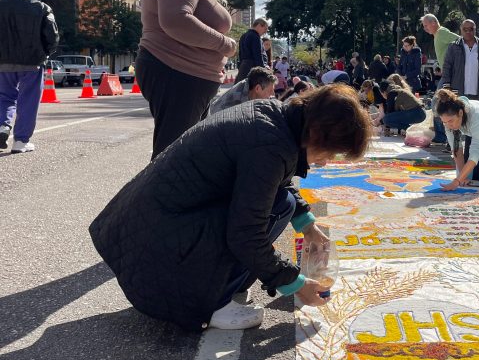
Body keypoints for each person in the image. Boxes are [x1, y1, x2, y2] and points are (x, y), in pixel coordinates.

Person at [89, 85, 371, 331]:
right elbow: (245, 234)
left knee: (282, 204)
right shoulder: (270, 146)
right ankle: (213, 305)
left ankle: (224, 286)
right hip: (158, 245)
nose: (326, 162)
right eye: (331, 152)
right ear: (318, 133)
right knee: (259, 218)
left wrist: (308, 225)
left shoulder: (276, 117)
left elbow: (277, 182)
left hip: (155, 228)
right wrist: (295, 283)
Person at [135, 0, 238, 159]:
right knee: (173, 159)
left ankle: (170, 197)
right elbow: (176, 20)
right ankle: (157, 199)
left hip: (180, 72)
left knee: (181, 155)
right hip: (179, 72)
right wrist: (225, 44)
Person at [0, 0, 60, 153]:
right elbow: (52, 36)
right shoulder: (41, 8)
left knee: (3, 97)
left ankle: (2, 126)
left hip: (2, 63)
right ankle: (21, 141)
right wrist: (45, 54)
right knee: (29, 100)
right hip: (32, 63)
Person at [441, 19, 479, 100]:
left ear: (475, 30)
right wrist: (447, 85)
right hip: (457, 92)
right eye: (465, 29)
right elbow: (447, 66)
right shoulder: (453, 47)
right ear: (461, 30)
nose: (468, 32)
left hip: (477, 93)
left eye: (471, 29)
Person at [209, 67, 276, 115]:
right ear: (258, 88)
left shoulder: (249, 86)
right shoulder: (238, 103)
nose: (273, 93)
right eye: (270, 90)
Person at [236, 19, 269, 83]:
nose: (265, 32)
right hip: (253, 69)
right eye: (265, 29)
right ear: (259, 25)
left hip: (244, 68)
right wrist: (263, 71)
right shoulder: (255, 36)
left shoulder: (243, 35)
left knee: (243, 89)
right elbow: (258, 56)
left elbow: (240, 54)